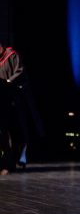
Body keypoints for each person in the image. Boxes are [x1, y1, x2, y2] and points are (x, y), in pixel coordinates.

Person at [0, 43, 44, 175]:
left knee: (19, 129)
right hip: (3, 100)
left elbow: (20, 71)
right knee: (4, 131)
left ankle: (17, 160)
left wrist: (8, 81)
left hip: (16, 97)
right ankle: (8, 162)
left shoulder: (12, 55)